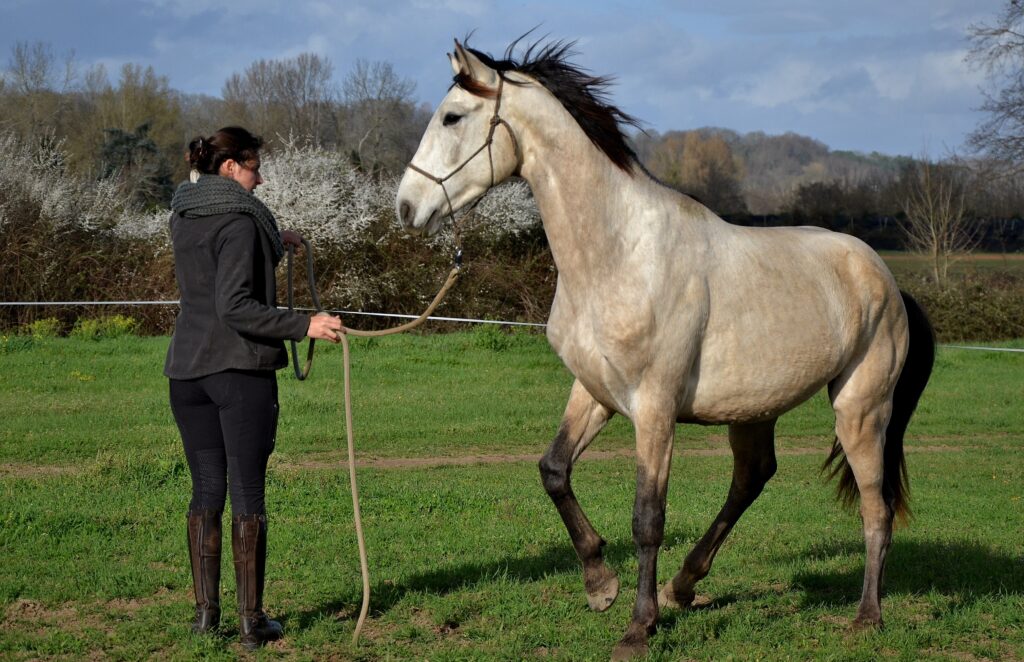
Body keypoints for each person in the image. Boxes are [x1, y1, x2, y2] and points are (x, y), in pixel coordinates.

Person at [164, 126, 344, 649]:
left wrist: (274, 248)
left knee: (205, 494)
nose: (260, 179)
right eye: (253, 167)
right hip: (237, 375)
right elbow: (236, 306)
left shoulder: (184, 215)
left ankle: (205, 617)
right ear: (229, 168)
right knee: (247, 496)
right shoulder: (243, 223)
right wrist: (304, 325)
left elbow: (215, 272)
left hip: (186, 373)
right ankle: (250, 623)